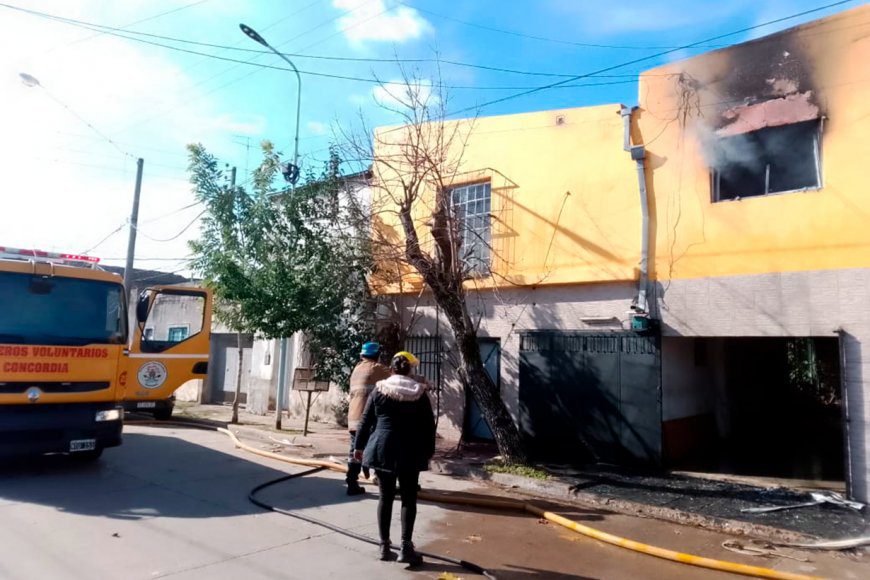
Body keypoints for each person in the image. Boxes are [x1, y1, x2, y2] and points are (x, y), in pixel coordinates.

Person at [353, 351, 435, 566]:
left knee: (385, 497)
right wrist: (429, 451)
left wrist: (358, 448)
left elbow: (365, 421)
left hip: (383, 449)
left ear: (391, 369)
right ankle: (406, 548)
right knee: (409, 498)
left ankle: (384, 546)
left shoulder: (379, 390)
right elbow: (428, 426)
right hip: (410, 450)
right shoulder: (419, 392)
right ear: (410, 371)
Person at [345, 341, 391, 496]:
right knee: (378, 450)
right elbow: (398, 377)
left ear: (362, 355)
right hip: (369, 419)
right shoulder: (377, 368)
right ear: (377, 355)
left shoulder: (356, 369)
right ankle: (381, 481)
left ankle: (351, 483)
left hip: (354, 418)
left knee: (354, 451)